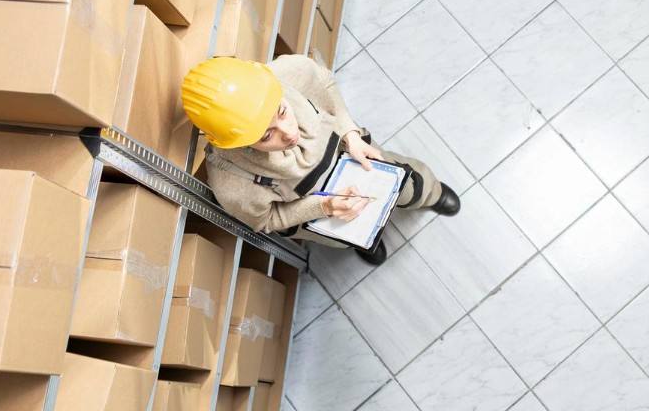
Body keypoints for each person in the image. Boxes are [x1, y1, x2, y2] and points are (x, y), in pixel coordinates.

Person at [181, 55, 460, 268]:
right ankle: (364, 241)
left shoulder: (289, 73)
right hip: (325, 212)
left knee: (411, 186)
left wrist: (351, 134)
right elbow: (267, 220)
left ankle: (431, 194)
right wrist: (324, 207)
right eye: (266, 135)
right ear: (236, 143)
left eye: (282, 111)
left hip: (353, 154)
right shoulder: (231, 183)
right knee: (352, 233)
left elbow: (325, 82)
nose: (289, 133)